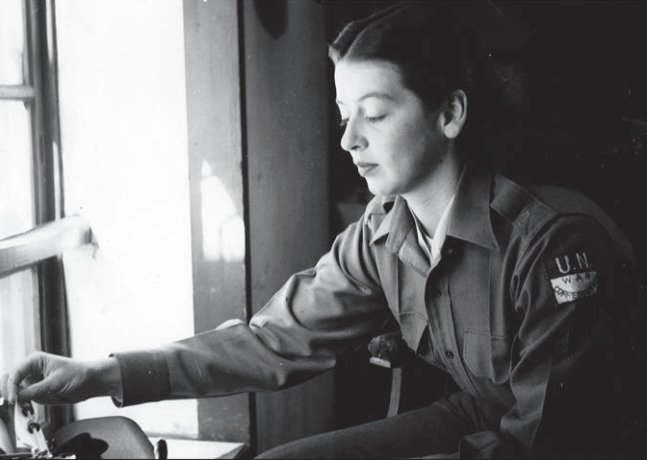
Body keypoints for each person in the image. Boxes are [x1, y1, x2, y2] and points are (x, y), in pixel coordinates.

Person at [1, 2, 644, 458]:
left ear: (449, 114)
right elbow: (271, 342)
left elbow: (551, 441)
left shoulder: (552, 244)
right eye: (343, 115)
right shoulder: (384, 233)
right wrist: (100, 373)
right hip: (480, 414)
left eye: (374, 115)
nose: (348, 140)